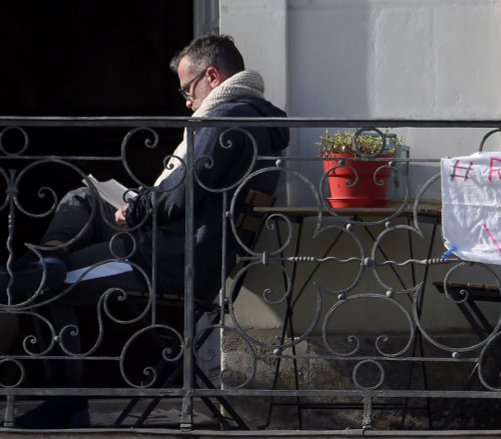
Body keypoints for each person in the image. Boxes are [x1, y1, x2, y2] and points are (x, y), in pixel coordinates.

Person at [2, 34, 290, 428]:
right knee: (84, 195)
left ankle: (66, 402)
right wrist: (139, 202)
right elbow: (185, 194)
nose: (187, 102)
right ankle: (49, 256)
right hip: (173, 245)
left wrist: (137, 206)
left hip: (168, 260)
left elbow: (178, 197)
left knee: (47, 286)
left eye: (187, 90)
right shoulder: (250, 119)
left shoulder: (226, 119)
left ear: (211, 76)